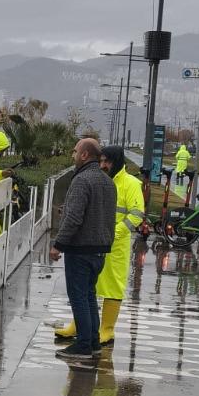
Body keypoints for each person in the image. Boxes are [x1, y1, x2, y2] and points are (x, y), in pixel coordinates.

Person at [53, 144, 144, 348]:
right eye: (101, 161)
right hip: (98, 242)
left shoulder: (130, 183)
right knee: (88, 290)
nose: (103, 165)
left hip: (116, 244)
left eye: (107, 162)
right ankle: (80, 327)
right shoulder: (103, 180)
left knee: (111, 287)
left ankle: (107, 329)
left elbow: (137, 214)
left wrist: (116, 232)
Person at [49, 136, 115, 367]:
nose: (73, 155)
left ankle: (84, 345)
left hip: (81, 249)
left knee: (79, 296)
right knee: (88, 296)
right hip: (100, 250)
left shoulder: (81, 180)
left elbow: (75, 218)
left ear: (85, 155)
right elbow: (99, 214)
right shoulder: (108, 182)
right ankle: (94, 342)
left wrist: (58, 244)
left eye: (75, 151)